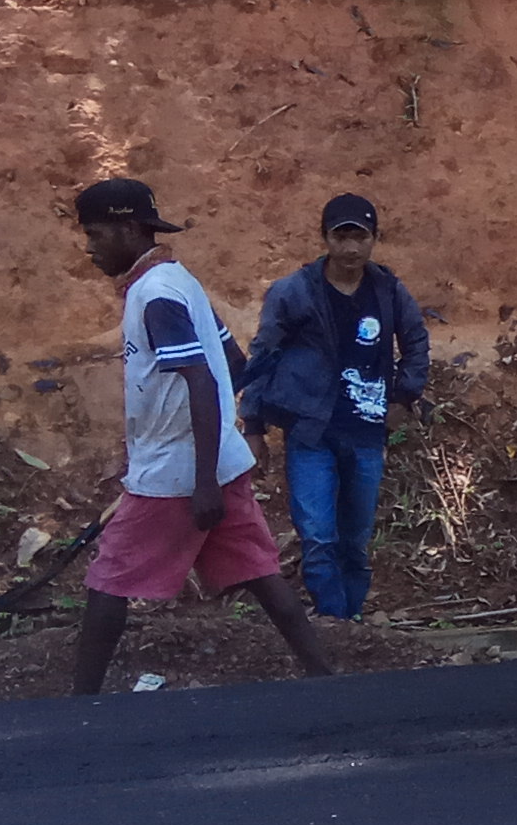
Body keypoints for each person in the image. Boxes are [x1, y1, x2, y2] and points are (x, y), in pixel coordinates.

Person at [67, 177, 339, 696]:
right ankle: (324, 680)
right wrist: (214, 461)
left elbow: (202, 377)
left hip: (176, 474)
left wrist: (199, 479)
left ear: (129, 229)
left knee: (109, 578)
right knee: (260, 572)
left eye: (97, 234)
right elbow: (233, 362)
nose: (90, 247)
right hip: (216, 462)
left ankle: (81, 705)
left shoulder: (155, 295)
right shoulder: (179, 281)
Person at [244, 191, 429, 620]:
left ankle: (352, 620)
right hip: (311, 432)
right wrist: (252, 426)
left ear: (374, 239)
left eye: (359, 237)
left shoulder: (388, 289)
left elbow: (416, 340)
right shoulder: (294, 292)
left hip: (366, 431)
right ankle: (334, 623)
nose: (350, 248)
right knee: (317, 536)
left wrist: (404, 395)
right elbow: (263, 355)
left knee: (355, 539)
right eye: (340, 237)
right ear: (325, 238)